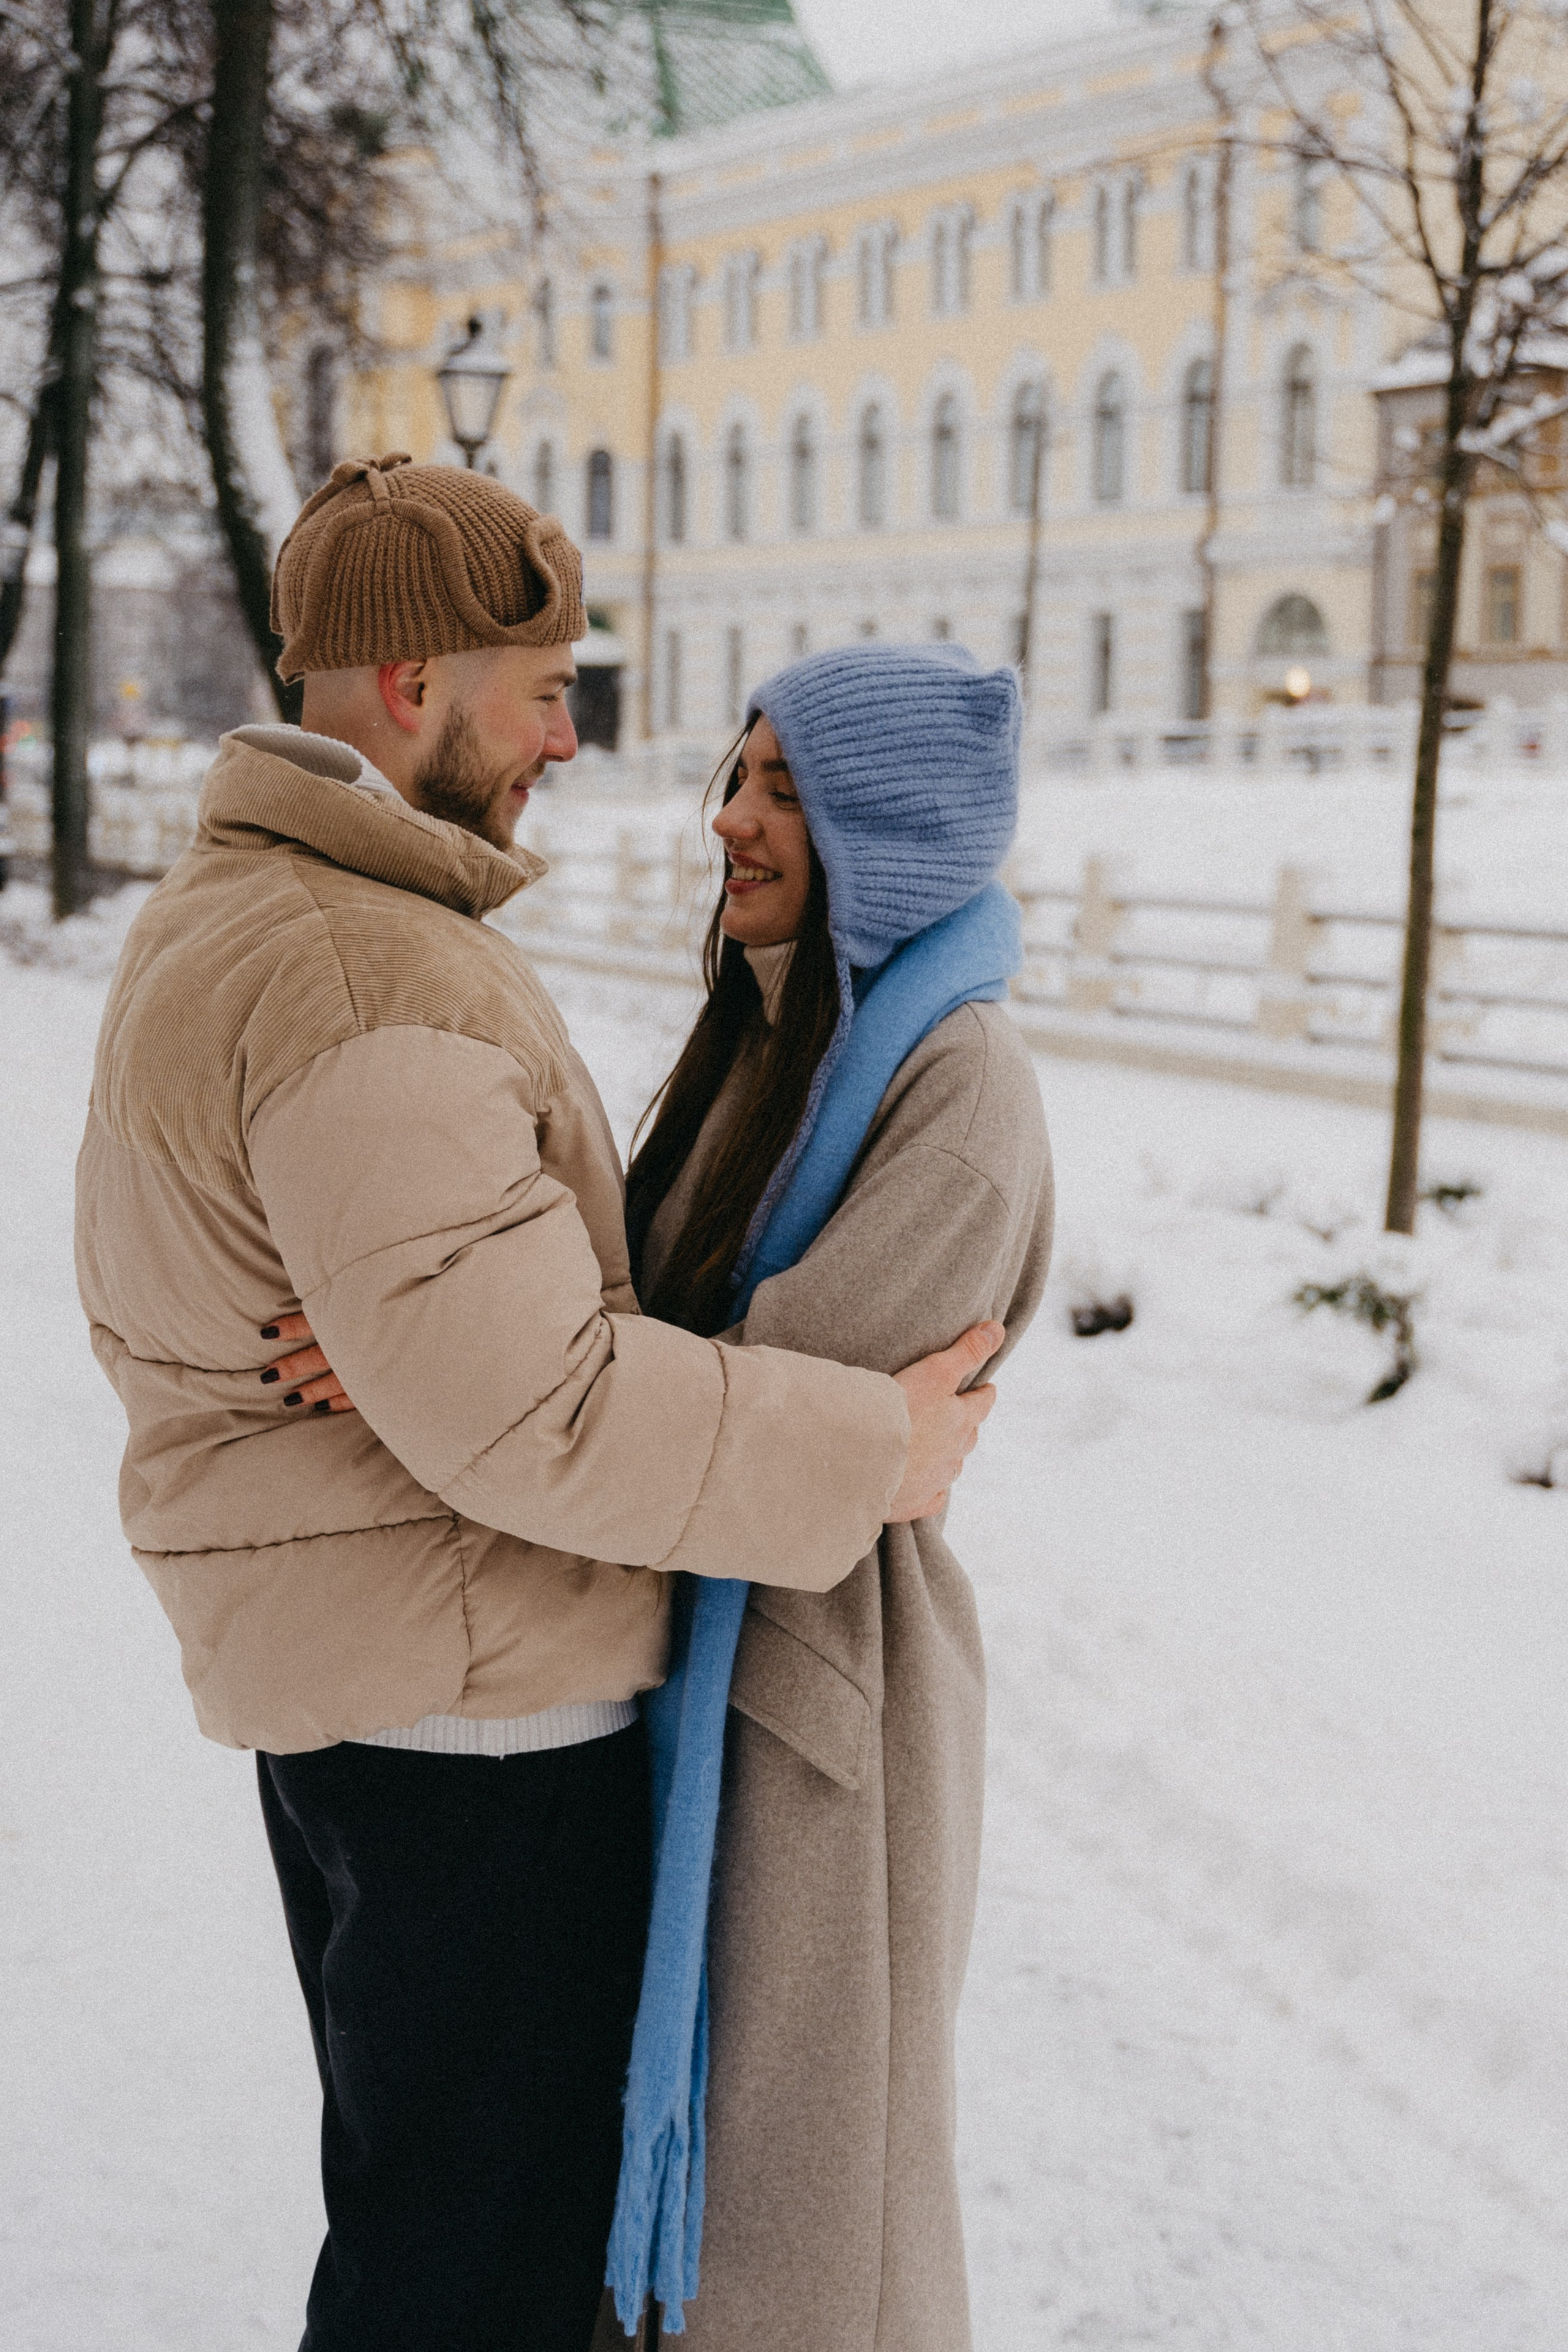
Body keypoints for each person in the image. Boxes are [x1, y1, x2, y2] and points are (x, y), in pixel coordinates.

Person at [72, 454, 1001, 2352]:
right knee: (469, 2279)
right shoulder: (363, 962)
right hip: (478, 1722)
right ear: (418, 682)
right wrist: (873, 1449)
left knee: (426, 2225)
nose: (575, 736)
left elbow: (478, 1361)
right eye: (550, 683)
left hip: (379, 1693)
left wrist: (438, 1356)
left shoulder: (251, 910)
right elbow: (542, 1414)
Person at [598, 644, 1054, 2350]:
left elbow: (777, 1383)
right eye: (740, 776)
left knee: (809, 2239)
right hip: (719, 1652)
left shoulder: (960, 1084)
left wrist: (526, 1371)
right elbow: (659, 1357)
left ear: (897, 828)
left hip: (822, 1706)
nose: (732, 819)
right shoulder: (771, 1035)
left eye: (787, 792)